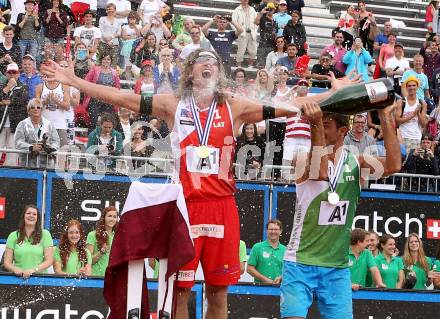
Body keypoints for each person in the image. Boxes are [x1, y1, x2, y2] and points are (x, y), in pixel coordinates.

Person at [42, 47, 360, 319]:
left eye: (213, 63)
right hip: (187, 207)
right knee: (182, 292)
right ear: (190, 71)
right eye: (201, 61)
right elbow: (124, 97)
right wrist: (74, 81)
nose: (208, 65)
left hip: (222, 207)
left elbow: (295, 108)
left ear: (218, 74)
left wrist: (337, 92)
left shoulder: (234, 106)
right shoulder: (173, 104)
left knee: (218, 293)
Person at [280, 101, 401, 316]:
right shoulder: (300, 158)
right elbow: (321, 171)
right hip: (299, 262)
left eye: (325, 125)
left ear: (343, 131)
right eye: (316, 124)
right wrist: (316, 122)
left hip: (336, 267)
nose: (317, 127)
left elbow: (393, 165)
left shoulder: (356, 161)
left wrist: (385, 117)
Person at [3, 204, 54, 279]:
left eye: (34, 214)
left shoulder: (45, 234)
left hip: (40, 279)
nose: (31, 216)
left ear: (37, 218)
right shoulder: (13, 235)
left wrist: (33, 270)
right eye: (28, 213)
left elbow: (49, 260)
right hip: (18, 279)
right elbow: (7, 263)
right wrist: (15, 269)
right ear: (24, 216)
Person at [14, 98, 60, 168]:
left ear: (42, 110)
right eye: (32, 107)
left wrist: (51, 148)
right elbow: (18, 142)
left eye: (38, 107)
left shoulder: (49, 124)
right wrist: (31, 147)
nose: (36, 109)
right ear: (28, 111)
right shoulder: (22, 124)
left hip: (46, 164)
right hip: (27, 164)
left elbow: (56, 142)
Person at [0, 63, 30, 166]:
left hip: (15, 125)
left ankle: (9, 179)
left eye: (14, 72)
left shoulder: (24, 87)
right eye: (10, 72)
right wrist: (8, 87)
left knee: (12, 154)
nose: (12, 74)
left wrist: (8, 102)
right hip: (1, 124)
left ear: (18, 73)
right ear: (6, 73)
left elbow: (23, 102)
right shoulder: (2, 86)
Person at [83, 54, 121, 129]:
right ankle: (92, 138)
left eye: (108, 59)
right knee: (93, 122)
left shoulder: (114, 72)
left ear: (111, 61)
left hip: (108, 100)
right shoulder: (95, 69)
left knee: (108, 122)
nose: (106, 61)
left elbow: (117, 87)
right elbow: (86, 81)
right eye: (104, 59)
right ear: (101, 60)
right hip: (95, 99)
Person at [35, 72, 71, 146]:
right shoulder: (40, 87)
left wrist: (56, 101)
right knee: (42, 154)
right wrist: (46, 101)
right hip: (43, 126)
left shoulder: (64, 86)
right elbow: (36, 107)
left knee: (61, 154)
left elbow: (67, 106)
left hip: (60, 126)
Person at [247, 219, 286, 284]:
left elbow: (290, 271)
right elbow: (249, 269)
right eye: (271, 229)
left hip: (280, 288)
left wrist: (281, 277)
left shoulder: (286, 250)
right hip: (259, 288)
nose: (273, 232)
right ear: (266, 231)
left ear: (280, 231)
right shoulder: (257, 247)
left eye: (276, 229)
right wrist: (265, 279)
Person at [395, 76, 428, 153]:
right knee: (403, 162)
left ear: (417, 87)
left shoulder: (422, 103)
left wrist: (418, 113)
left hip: (416, 137)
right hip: (402, 136)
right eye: (409, 86)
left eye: (414, 85)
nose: (411, 87)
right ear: (406, 87)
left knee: (414, 163)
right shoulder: (401, 101)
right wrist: (412, 115)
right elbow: (397, 121)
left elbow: (423, 124)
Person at [86, 206, 118, 276]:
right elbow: (88, 261)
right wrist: (101, 252)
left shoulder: (118, 237)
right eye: (109, 216)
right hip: (96, 278)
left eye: (114, 217)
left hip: (112, 279)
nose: (112, 219)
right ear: (103, 218)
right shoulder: (92, 235)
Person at [232, 0, 258, 68]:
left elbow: (256, 21)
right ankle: (239, 65)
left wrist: (255, 30)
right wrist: (238, 31)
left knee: (253, 51)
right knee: (241, 50)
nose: (245, 0)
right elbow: (233, 22)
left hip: (251, 32)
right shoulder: (237, 10)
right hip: (242, 33)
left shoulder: (252, 9)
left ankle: (250, 64)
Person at [98, 3, 121, 68]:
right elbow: (101, 31)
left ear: (115, 10)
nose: (110, 10)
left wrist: (111, 37)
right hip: (103, 43)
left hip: (114, 44)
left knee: (113, 63)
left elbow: (119, 33)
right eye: (108, 9)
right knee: (102, 61)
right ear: (106, 10)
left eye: (111, 9)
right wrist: (107, 41)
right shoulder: (102, 19)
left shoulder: (118, 21)